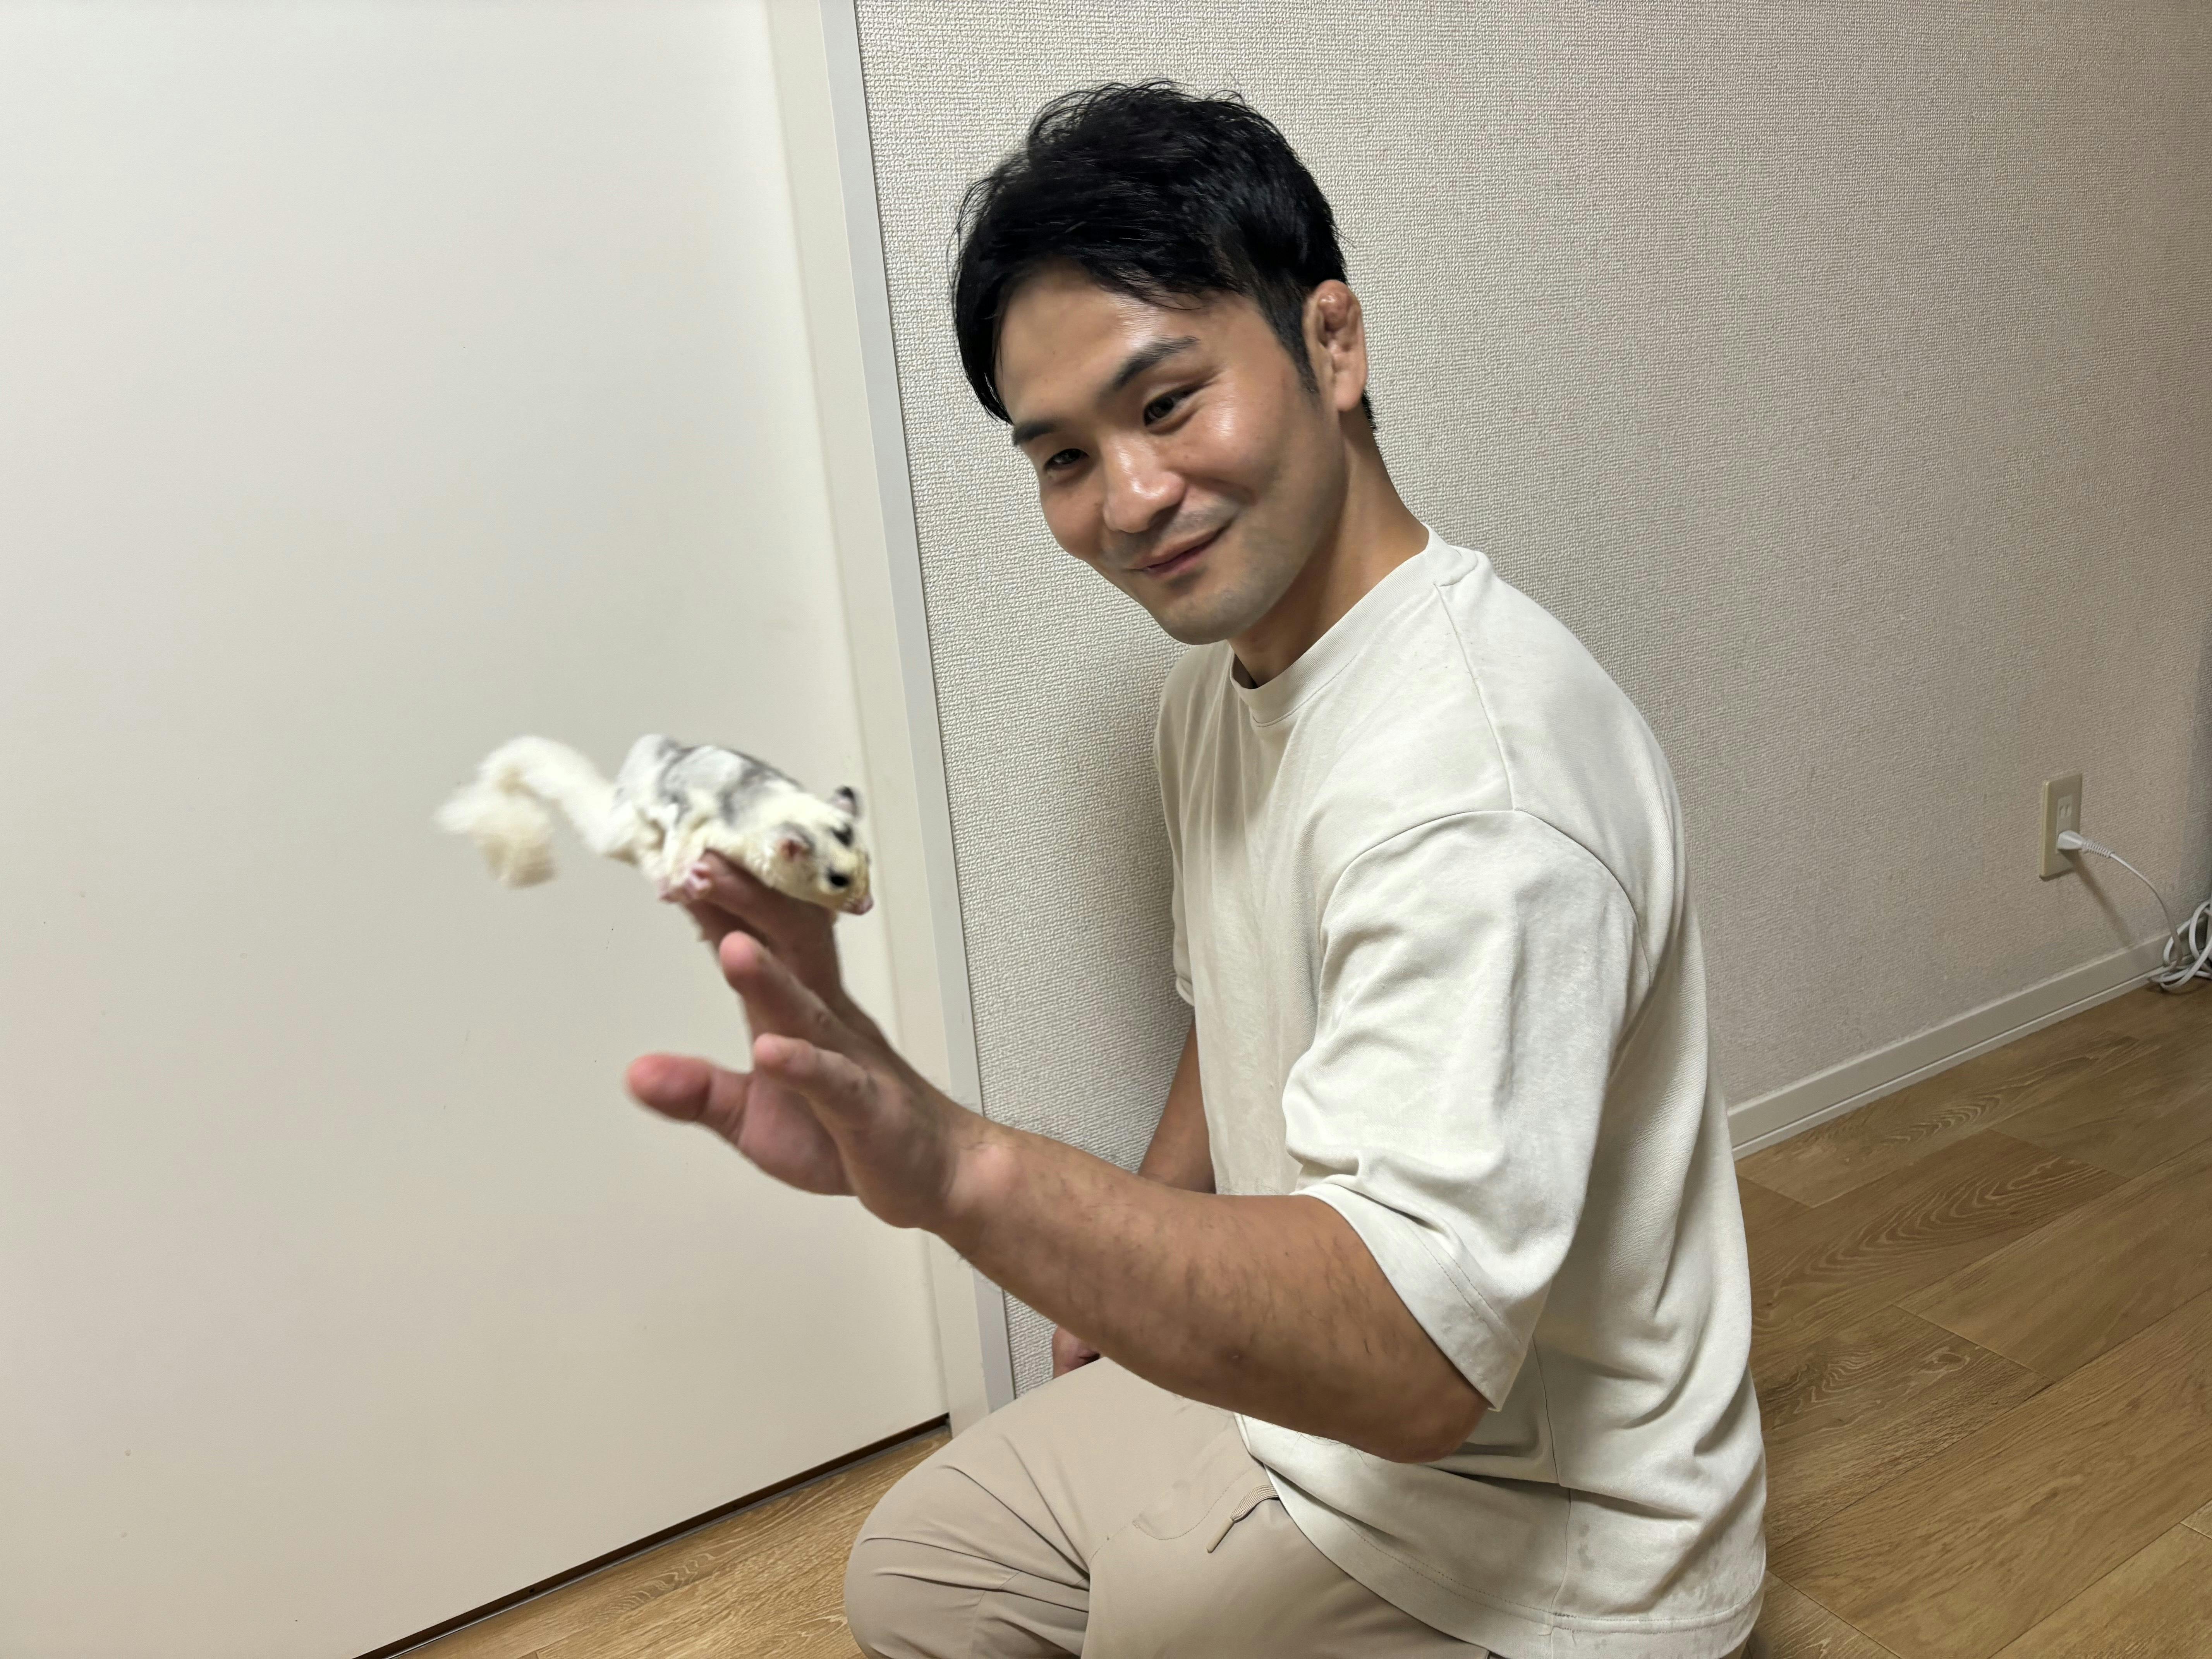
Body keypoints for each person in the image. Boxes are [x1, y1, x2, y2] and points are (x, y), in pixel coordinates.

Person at [625, 81, 1765, 1658]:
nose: (1128, 502)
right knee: (919, 1576)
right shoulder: (1217, 691)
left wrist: (966, 1175)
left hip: (1539, 1523)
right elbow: (1234, 1010)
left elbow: (1419, 1365)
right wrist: (1127, 1265)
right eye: (1063, 457)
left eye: (1166, 405)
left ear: (1333, 345)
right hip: (1309, 1400)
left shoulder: (1477, 785)